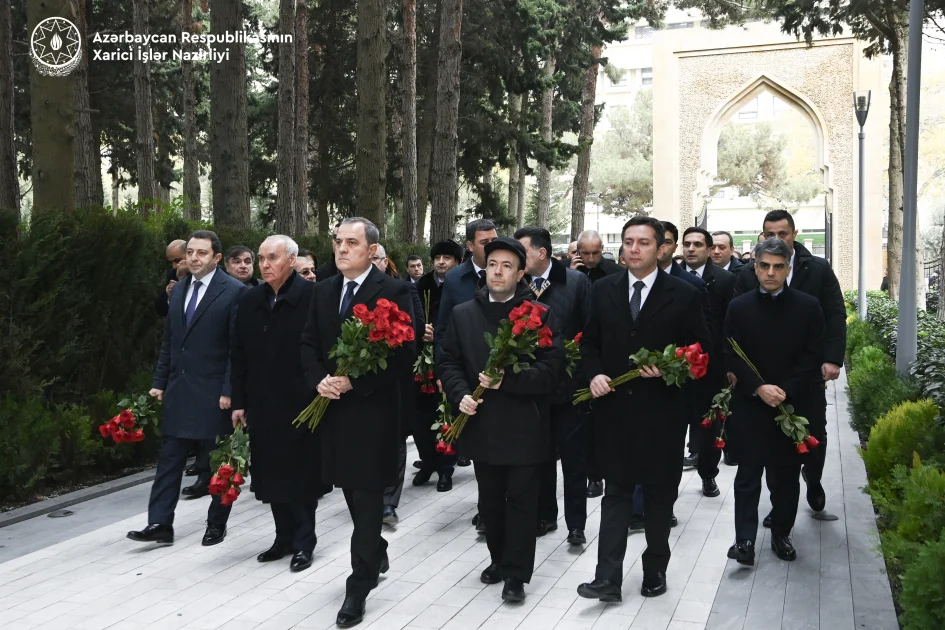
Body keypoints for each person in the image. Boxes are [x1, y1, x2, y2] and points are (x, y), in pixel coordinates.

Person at [576, 216, 711, 602]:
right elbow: (589, 343)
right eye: (629, 242)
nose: (634, 249)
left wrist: (669, 369)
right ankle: (607, 579)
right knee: (616, 493)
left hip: (662, 414)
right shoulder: (602, 289)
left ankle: (655, 569)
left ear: (661, 248)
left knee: (658, 496)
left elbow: (702, 350)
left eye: (643, 243)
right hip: (614, 411)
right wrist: (595, 374)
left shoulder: (684, 293)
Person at [300, 218, 416, 628]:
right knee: (351, 493)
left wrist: (356, 381)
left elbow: (405, 354)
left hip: (373, 412)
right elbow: (309, 342)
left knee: (368, 499)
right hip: (331, 409)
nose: (342, 248)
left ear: (371, 250)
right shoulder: (323, 290)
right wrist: (320, 379)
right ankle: (375, 546)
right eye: (337, 241)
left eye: (352, 242)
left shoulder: (396, 290)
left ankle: (359, 584)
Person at [439, 238, 564, 604]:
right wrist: (459, 392)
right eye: (493, 263)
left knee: (522, 502)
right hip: (482, 425)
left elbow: (551, 370)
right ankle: (497, 560)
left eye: (507, 265)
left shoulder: (538, 314)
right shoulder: (464, 314)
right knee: (490, 502)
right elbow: (448, 361)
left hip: (526, 424)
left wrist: (508, 381)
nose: (498, 271)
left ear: (520, 273)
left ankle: (516, 575)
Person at [129, 230, 248, 547]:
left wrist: (230, 390)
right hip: (180, 390)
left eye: (201, 253)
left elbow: (238, 349)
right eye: (191, 252)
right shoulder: (178, 290)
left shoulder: (234, 292)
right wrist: (158, 383)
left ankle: (216, 524)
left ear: (216, 258)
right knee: (169, 460)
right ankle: (159, 523)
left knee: (219, 463)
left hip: (215, 395)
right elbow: (170, 342)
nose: (194, 258)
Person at [733, 209, 845, 519]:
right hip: (764, 374)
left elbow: (835, 313)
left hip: (807, 371)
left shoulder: (818, 269)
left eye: (782, 233)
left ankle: (813, 478)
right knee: (774, 444)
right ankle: (779, 506)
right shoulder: (748, 274)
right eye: (769, 234)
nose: (776, 238)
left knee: (814, 432)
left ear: (793, 234)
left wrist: (832, 358)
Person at [725, 237, 826, 565]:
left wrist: (784, 389)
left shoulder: (808, 306)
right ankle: (744, 541)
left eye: (778, 267)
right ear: (755, 268)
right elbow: (729, 351)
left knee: (785, 477)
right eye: (764, 266)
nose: (770, 273)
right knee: (747, 476)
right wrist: (758, 387)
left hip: (791, 406)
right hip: (751, 405)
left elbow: (813, 355)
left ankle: (781, 533)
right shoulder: (738, 307)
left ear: (788, 269)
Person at [230, 235, 321, 573]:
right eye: (261, 258)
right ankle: (283, 538)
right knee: (269, 474)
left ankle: (304, 542)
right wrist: (239, 400)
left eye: (273, 258)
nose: (265, 264)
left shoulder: (312, 297)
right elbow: (237, 353)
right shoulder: (250, 299)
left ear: (292, 260)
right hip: (262, 402)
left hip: (301, 402)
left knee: (299, 475)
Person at [515, 226, 593, 546]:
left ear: (541, 253)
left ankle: (576, 523)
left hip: (571, 390)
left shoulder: (576, 283)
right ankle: (545, 515)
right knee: (540, 459)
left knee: (574, 461)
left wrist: (586, 378)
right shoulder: (517, 286)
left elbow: (591, 331)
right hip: (533, 391)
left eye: (523, 252)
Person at [371, 243, 425, 525]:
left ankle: (389, 501)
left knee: (395, 438)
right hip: (357, 381)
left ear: (384, 261)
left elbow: (413, 330)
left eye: (376, 258)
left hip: (395, 377)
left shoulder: (401, 289)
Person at [681, 227, 738, 479]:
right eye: (687, 244)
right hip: (676, 366)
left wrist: (727, 365)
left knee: (709, 424)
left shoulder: (725, 281)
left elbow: (730, 325)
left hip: (712, 367)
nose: (691, 249)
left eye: (698, 244)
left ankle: (707, 473)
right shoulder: (669, 276)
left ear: (708, 249)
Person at [657, 222, 713, 475]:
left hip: (677, 378)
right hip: (635, 380)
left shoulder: (691, 285)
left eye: (666, 241)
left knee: (670, 443)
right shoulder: (621, 283)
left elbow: (703, 336)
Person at [570, 230, 621, 499]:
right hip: (578, 355)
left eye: (595, 253)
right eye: (585, 253)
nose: (590, 259)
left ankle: (608, 469)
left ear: (602, 249)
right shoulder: (571, 274)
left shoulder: (613, 272)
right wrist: (571, 274)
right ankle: (593, 476)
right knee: (585, 425)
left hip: (605, 355)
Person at [413, 239, 464, 491]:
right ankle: (428, 461)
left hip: (449, 355)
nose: (441, 262)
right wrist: (420, 330)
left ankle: (446, 468)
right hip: (423, 360)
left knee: (447, 412)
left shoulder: (460, 286)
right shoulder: (421, 285)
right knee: (422, 415)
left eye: (447, 258)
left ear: (457, 261)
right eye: (437, 258)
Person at [154, 239, 189, 317]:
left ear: (189, 253)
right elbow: (161, 309)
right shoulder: (173, 273)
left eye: (177, 260)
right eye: (171, 262)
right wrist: (169, 296)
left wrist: (182, 281)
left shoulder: (203, 272)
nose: (174, 266)